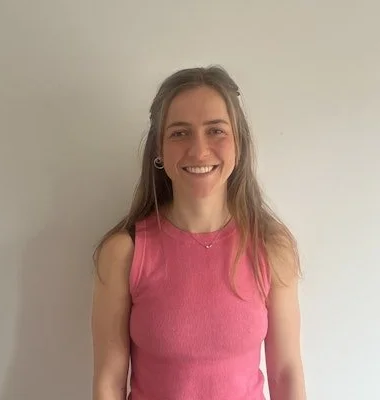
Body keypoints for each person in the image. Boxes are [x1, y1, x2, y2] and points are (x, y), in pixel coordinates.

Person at [91, 66, 306, 400]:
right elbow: (108, 383)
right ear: (159, 150)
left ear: (239, 143)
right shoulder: (125, 253)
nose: (199, 150)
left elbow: (286, 374)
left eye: (216, 130)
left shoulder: (270, 247)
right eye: (180, 133)